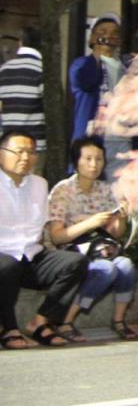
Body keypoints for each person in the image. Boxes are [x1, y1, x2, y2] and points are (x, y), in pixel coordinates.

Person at [0, 129, 88, 348]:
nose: (25, 158)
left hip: (31, 254)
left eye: (31, 152)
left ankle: (39, 322)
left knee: (74, 262)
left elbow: (39, 230)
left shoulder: (39, 184)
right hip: (3, 258)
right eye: (18, 151)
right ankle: (8, 327)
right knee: (7, 266)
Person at [46, 137, 137, 341]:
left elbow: (115, 234)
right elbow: (57, 236)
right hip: (71, 252)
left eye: (99, 159)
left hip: (100, 248)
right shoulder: (63, 190)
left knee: (126, 265)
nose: (94, 164)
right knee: (105, 269)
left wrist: (121, 218)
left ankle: (119, 320)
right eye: (87, 158)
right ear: (76, 161)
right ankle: (66, 321)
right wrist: (90, 222)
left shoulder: (105, 189)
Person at [68, 16, 131, 178]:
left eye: (114, 33)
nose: (108, 36)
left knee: (118, 196)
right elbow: (87, 83)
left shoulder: (127, 68)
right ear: (92, 38)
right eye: (102, 32)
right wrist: (97, 53)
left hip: (121, 143)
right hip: (92, 142)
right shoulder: (82, 64)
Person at [0, 25, 46, 156]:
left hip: (8, 144)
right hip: (34, 144)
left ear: (21, 42)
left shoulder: (4, 70)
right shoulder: (42, 69)